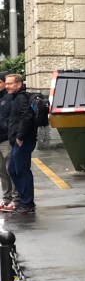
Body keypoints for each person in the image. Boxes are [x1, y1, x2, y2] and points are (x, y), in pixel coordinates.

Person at [6, 74, 38, 215]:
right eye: (6, 83)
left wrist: (20, 136)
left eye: (10, 83)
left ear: (19, 84)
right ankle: (24, 200)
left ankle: (28, 203)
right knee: (13, 170)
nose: (7, 86)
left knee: (22, 171)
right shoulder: (16, 98)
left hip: (23, 141)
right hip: (17, 141)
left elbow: (27, 117)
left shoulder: (21, 98)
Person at [0, 71, 20, 211]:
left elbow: (12, 118)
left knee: (11, 169)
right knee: (2, 171)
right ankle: (6, 198)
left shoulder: (9, 97)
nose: (6, 85)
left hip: (6, 139)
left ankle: (16, 199)